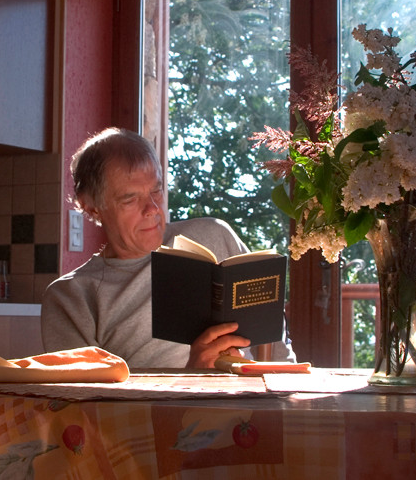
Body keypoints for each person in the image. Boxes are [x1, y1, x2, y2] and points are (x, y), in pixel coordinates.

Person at [42, 127, 296, 369]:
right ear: (92, 207)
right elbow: (86, 410)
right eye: (130, 199)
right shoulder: (72, 297)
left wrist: (287, 387)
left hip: (256, 406)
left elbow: (274, 335)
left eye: (157, 190)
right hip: (164, 414)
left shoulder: (213, 235)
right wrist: (193, 377)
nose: (153, 208)